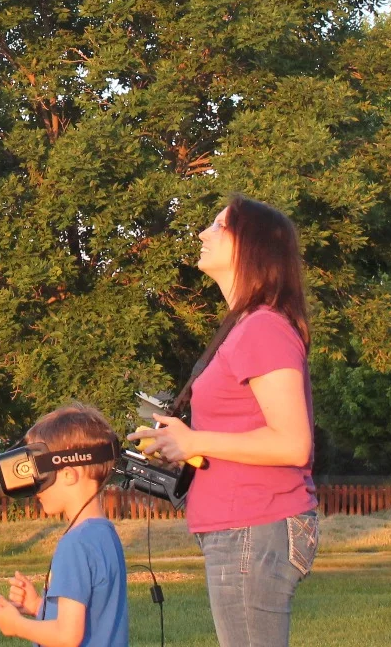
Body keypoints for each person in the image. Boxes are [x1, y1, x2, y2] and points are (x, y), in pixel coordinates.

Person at [129, 195, 319, 647]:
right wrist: (181, 445)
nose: (202, 233)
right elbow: (241, 434)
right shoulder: (246, 326)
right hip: (240, 526)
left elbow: (293, 444)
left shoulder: (264, 328)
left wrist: (197, 439)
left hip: (254, 525)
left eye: (218, 226)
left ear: (250, 246)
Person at [0, 404, 129, 647]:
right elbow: (90, 616)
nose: (35, 489)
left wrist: (17, 625)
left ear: (68, 474)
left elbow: (68, 636)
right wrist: (38, 606)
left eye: (40, 475)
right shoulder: (104, 534)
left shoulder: (75, 544)